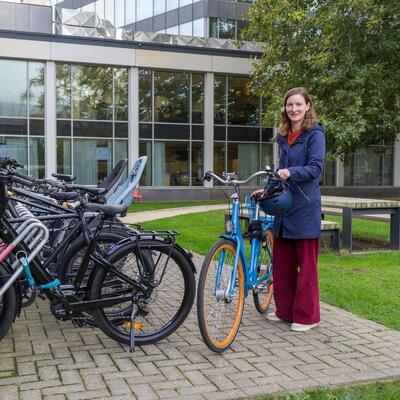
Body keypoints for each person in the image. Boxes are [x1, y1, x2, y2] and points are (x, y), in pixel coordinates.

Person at [267, 87, 326, 332]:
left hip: (304, 208)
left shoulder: (315, 134)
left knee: (307, 269)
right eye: (290, 105)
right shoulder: (284, 136)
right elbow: (280, 170)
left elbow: (315, 169)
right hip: (285, 210)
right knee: (282, 266)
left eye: (299, 105)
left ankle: (307, 316)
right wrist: (268, 190)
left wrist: (292, 172)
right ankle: (285, 312)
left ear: (308, 106)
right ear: (285, 107)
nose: (294, 109)